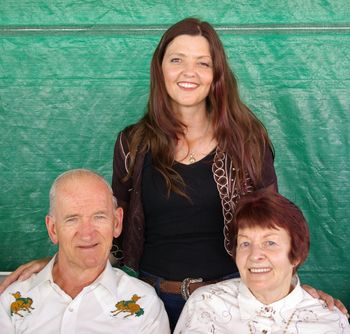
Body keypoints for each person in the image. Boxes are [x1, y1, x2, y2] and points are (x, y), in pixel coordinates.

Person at [0, 18, 347, 331]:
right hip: (151, 299)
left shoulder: (248, 141)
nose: (189, 71)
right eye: (177, 59)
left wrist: (289, 288)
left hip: (230, 301)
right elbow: (112, 228)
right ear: (161, 68)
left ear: (216, 75)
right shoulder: (132, 143)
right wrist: (61, 264)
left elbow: (273, 225)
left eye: (202, 62)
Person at [0, 169, 170, 334]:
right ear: (53, 229)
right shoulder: (11, 302)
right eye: (72, 219)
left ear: (117, 223)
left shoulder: (146, 305)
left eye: (99, 216)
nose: (87, 234)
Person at [174, 190, 350, 333]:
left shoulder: (331, 322)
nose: (254, 255)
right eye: (245, 243)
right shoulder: (204, 304)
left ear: (296, 255)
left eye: (270, 243)